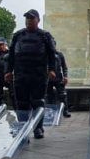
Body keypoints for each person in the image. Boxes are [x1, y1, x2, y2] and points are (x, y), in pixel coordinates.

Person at [6, 9, 57, 139]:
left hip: (38, 75)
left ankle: (38, 128)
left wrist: (52, 69)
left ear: (38, 20)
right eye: (27, 18)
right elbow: (11, 55)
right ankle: (23, 127)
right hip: (21, 74)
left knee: (38, 102)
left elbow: (52, 55)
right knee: (21, 103)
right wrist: (8, 71)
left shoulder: (45, 36)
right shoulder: (18, 35)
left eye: (32, 18)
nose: (29, 21)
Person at [47, 47, 71, 117]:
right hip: (48, 78)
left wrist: (65, 76)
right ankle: (50, 112)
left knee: (63, 95)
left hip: (58, 78)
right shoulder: (45, 55)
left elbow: (64, 67)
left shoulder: (59, 55)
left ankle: (65, 111)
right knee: (48, 96)